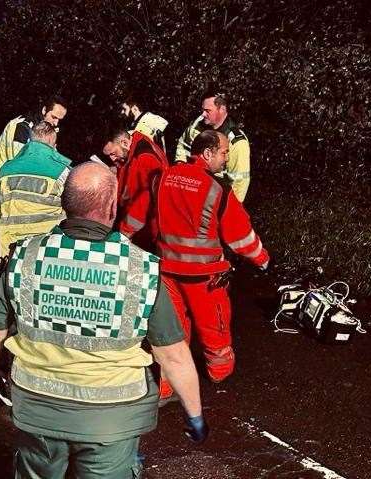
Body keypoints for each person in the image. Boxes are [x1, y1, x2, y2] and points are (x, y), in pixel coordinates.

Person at [0, 162, 208, 479]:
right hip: (111, 420)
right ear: (113, 206)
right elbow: (173, 355)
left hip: (38, 410)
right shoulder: (141, 269)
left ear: (63, 203)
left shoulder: (24, 256)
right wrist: (194, 413)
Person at [156, 130, 269, 401]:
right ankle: (220, 375)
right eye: (224, 152)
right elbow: (240, 236)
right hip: (203, 277)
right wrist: (263, 259)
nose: (227, 159)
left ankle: (166, 386)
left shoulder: (166, 176)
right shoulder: (217, 189)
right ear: (207, 153)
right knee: (215, 329)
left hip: (167, 269)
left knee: (172, 331)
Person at [0, 121, 71, 257]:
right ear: (53, 143)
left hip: (10, 250)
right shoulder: (64, 172)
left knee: (7, 277)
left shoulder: (5, 170)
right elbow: (73, 212)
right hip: (47, 250)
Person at [175, 92, 251, 202]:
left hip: (214, 199)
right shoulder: (197, 126)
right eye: (202, 110)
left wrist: (230, 209)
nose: (203, 114)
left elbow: (239, 182)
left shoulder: (236, 141)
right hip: (189, 190)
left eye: (207, 111)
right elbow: (183, 144)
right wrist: (180, 166)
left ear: (222, 110)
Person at [101, 127, 168, 245]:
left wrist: (124, 233)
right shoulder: (136, 149)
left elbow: (142, 204)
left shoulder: (144, 159)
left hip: (143, 234)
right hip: (139, 229)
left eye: (113, 153)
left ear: (125, 143)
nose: (112, 158)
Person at [0, 96, 68, 185]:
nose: (56, 123)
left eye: (59, 120)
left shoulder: (45, 131)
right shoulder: (21, 127)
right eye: (54, 117)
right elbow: (20, 161)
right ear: (44, 110)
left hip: (12, 184)